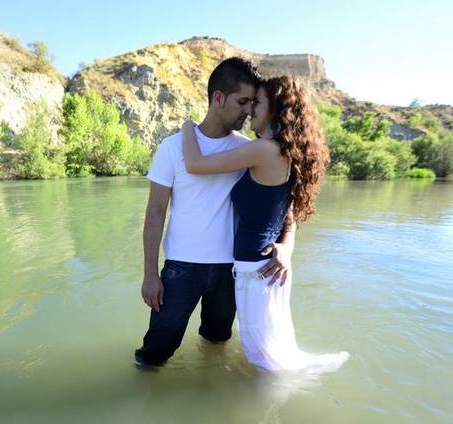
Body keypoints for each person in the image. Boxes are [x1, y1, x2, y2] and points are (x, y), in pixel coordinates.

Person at [181, 75, 349, 371]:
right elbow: (289, 215)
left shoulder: (264, 150)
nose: (250, 110)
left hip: (255, 271)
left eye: (257, 103)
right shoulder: (286, 152)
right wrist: (287, 249)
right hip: (267, 268)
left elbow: (195, 164)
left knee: (265, 359)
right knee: (271, 349)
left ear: (276, 108)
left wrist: (187, 128)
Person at [134, 58, 293, 367]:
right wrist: (150, 274)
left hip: (230, 269)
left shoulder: (249, 148)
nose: (249, 110)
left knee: (217, 342)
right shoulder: (172, 147)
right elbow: (155, 213)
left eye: (252, 103)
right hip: (181, 268)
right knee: (155, 352)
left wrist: (286, 247)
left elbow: (283, 206)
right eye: (242, 101)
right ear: (218, 98)